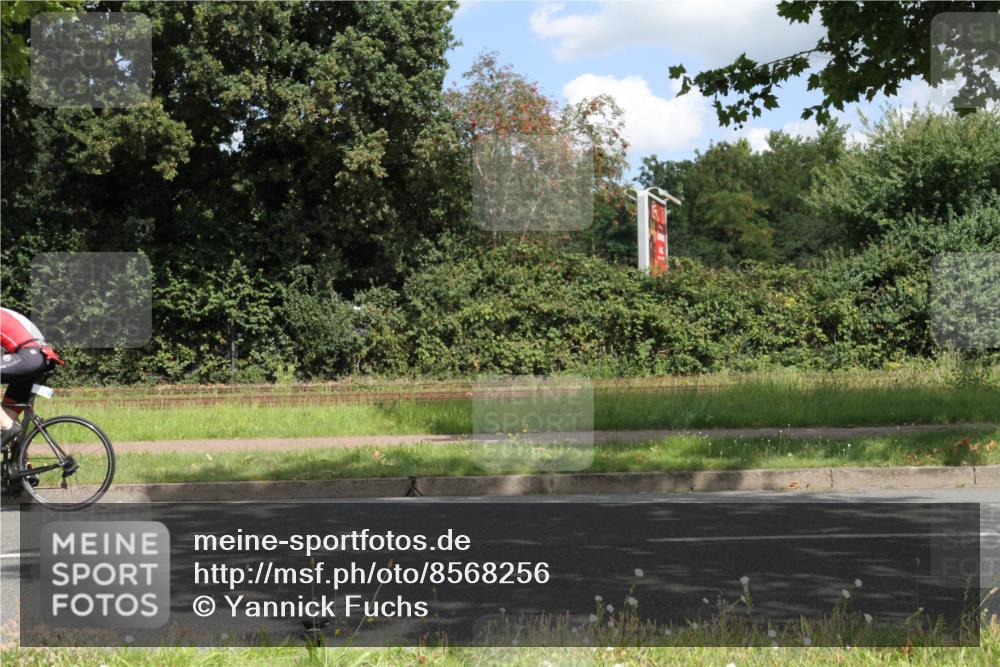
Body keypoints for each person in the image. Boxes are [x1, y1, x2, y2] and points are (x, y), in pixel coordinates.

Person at [0, 307, 63, 445]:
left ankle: (8, 427)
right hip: (42, 357)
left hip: (30, 356)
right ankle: (20, 463)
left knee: (6, 425)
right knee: (7, 414)